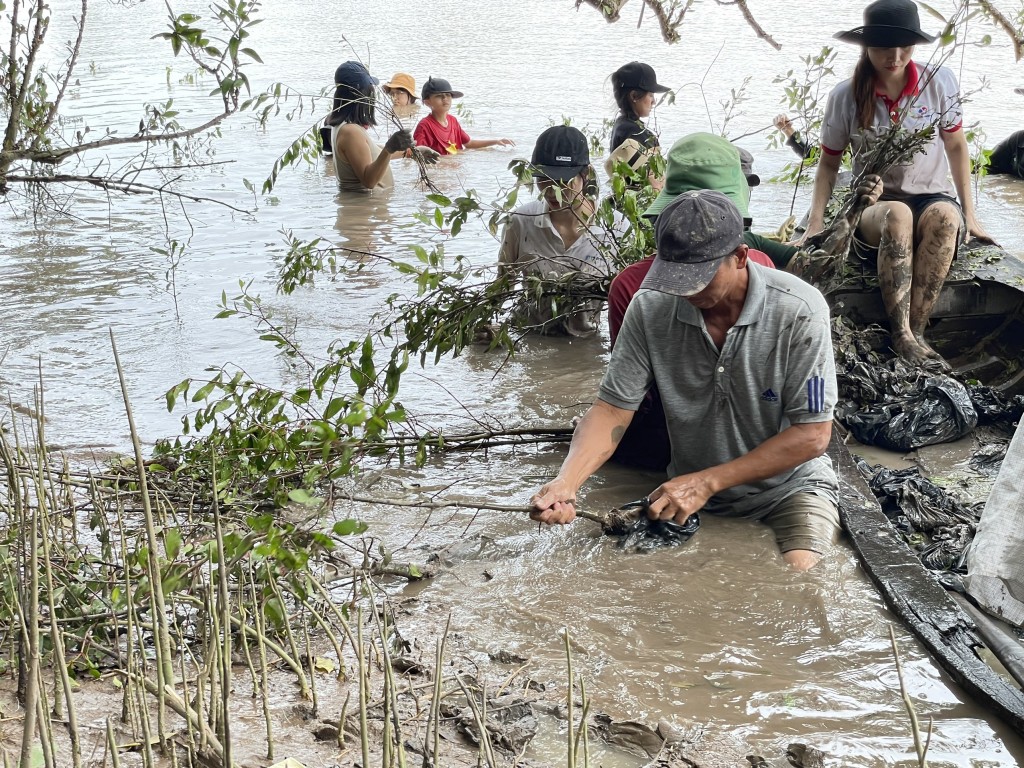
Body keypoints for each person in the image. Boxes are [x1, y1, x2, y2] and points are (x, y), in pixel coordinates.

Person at [531, 190, 841, 571]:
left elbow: (813, 435)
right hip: (684, 493)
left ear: (740, 257)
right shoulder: (650, 307)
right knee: (629, 580)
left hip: (789, 490)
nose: (687, 290)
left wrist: (706, 482)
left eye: (700, 277)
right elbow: (612, 411)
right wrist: (568, 481)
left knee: (802, 580)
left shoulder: (801, 311)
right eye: (676, 277)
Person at [804, 0, 994, 366]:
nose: (894, 57)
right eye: (883, 48)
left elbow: (956, 146)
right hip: (876, 204)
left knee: (945, 218)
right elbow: (828, 165)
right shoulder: (844, 96)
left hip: (933, 196)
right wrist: (816, 222)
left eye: (904, 47)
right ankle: (900, 333)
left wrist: (970, 214)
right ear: (866, 47)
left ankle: (917, 331)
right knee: (898, 215)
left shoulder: (939, 82)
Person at [606, 133, 777, 472]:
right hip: (733, 440)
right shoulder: (762, 265)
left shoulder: (630, 285)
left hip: (669, 440)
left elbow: (636, 400)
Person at [497, 126, 626, 336]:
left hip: (587, 341)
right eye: (542, 179)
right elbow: (502, 287)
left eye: (562, 181)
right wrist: (488, 328)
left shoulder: (616, 228)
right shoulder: (520, 222)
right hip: (531, 336)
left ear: (586, 174)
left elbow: (626, 301)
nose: (550, 190)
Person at [326, 61, 438, 192]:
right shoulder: (350, 132)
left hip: (369, 206)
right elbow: (369, 181)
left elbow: (373, 151)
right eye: (370, 87)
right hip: (367, 207)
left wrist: (412, 152)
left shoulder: (343, 126)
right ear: (361, 93)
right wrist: (389, 148)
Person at [413, 76, 514, 155]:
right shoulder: (424, 126)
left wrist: (496, 141)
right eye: (439, 96)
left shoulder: (453, 121)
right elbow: (416, 154)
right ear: (427, 102)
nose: (445, 99)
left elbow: (469, 144)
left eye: (448, 95)